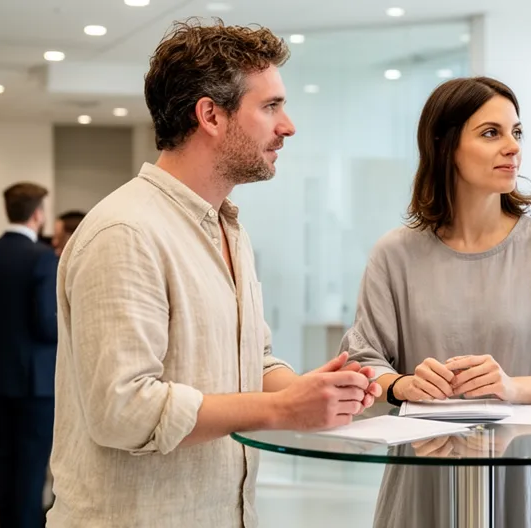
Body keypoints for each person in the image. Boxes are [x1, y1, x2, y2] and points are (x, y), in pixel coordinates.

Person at [47, 19, 379, 528]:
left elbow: (253, 360)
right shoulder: (125, 232)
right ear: (211, 116)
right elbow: (124, 409)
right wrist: (284, 411)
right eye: (270, 107)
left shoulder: (228, 228)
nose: (287, 125)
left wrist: (304, 390)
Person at [344, 76, 531, 528]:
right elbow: (363, 363)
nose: (512, 147)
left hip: (527, 477)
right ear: (445, 146)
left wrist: (512, 387)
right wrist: (402, 385)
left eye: (516, 133)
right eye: (491, 133)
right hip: (421, 479)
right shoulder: (394, 254)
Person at [0, 182, 57, 528]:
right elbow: (46, 327)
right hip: (33, 384)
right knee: (30, 471)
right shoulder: (43, 259)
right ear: (37, 214)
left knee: (2, 468)